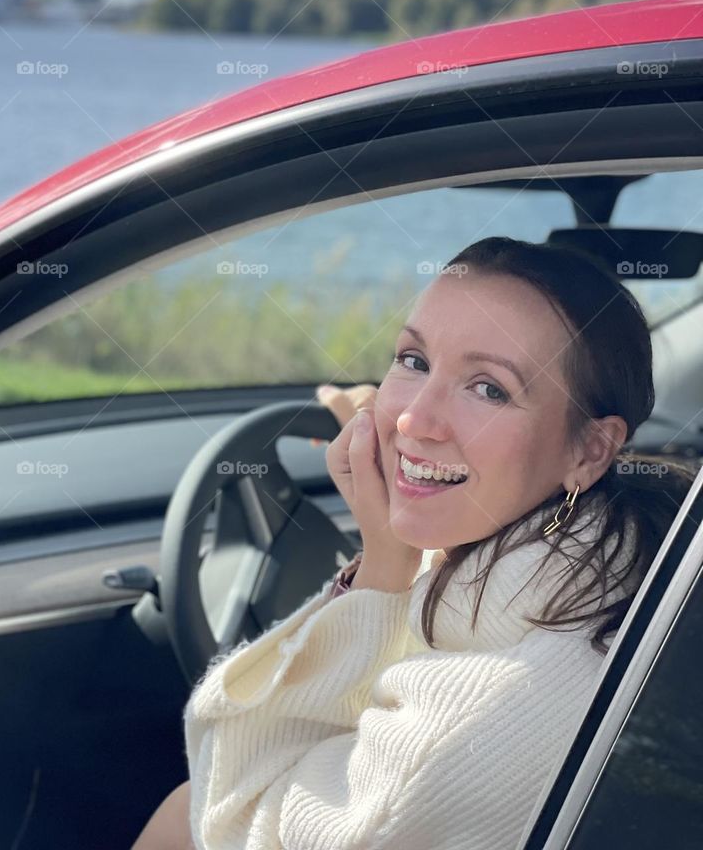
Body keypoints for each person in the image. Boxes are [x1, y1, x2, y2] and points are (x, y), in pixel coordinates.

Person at [132, 235, 695, 850]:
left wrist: (382, 563)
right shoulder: (619, 565)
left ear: (590, 449)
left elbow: (231, 815)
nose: (410, 421)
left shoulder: (464, 731)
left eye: (490, 389)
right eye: (414, 361)